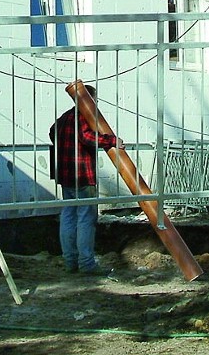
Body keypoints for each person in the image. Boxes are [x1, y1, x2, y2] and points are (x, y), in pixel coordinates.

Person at [49, 84, 124, 275]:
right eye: (94, 99)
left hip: (65, 175)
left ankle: (70, 262)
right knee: (86, 219)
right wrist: (112, 140)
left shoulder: (65, 117)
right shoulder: (83, 116)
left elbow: (52, 132)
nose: (96, 103)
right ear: (89, 100)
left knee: (68, 216)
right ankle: (87, 264)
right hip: (82, 174)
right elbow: (86, 137)